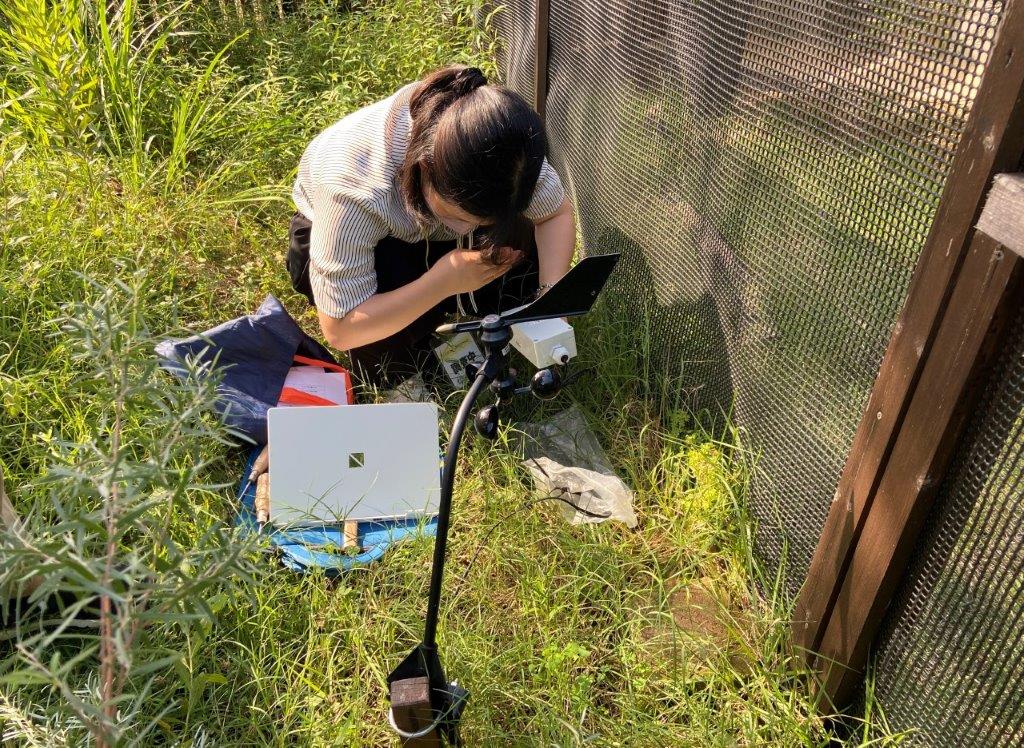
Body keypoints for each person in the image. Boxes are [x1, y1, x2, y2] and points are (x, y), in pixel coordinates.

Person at [287, 64, 576, 388]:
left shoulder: (504, 147)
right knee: (390, 360)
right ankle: (406, 368)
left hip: (433, 217)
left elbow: (554, 214)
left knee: (519, 244)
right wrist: (441, 282)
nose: (469, 232)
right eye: (463, 219)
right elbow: (341, 325)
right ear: (425, 169)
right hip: (359, 237)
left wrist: (551, 300)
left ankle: (501, 327)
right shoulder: (356, 190)